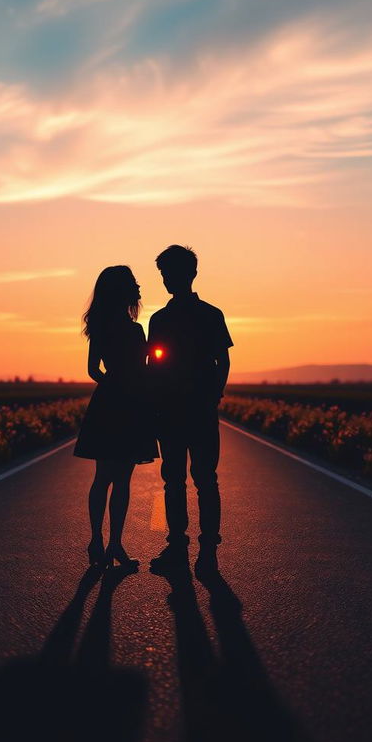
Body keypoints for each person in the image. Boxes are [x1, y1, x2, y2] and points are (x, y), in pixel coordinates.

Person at [147, 245, 233, 575]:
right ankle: (200, 549)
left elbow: (155, 366)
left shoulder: (164, 319)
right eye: (165, 274)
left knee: (183, 480)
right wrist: (213, 396)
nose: (169, 279)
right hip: (190, 410)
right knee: (195, 479)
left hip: (181, 410)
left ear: (191, 274)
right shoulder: (210, 314)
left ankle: (188, 547)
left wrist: (212, 397)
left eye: (171, 273)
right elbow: (222, 361)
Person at [74, 265, 158, 569]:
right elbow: (144, 367)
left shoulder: (101, 326)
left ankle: (101, 543)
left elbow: (93, 370)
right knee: (119, 479)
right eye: (133, 284)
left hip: (111, 402)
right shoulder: (133, 330)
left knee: (105, 478)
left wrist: (113, 384)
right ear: (122, 290)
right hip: (128, 404)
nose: (138, 288)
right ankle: (110, 544)